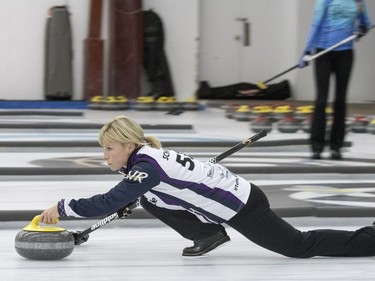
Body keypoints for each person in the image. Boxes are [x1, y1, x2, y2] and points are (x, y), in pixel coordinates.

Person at [40, 115, 375, 258]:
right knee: (148, 197)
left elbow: (107, 202)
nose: (105, 155)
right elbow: (137, 191)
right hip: (234, 197)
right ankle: (207, 234)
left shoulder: (147, 166)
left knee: (297, 246)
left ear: (128, 145)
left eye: (109, 148)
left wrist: (63, 206)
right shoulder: (146, 161)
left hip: (243, 206)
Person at [299, 0, 372, 160]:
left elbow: (366, 22)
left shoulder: (358, 1)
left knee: (340, 100)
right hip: (323, 52)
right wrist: (307, 50)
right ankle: (317, 147)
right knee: (321, 100)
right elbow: (316, 24)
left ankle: (336, 146)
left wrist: (362, 29)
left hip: (345, 53)